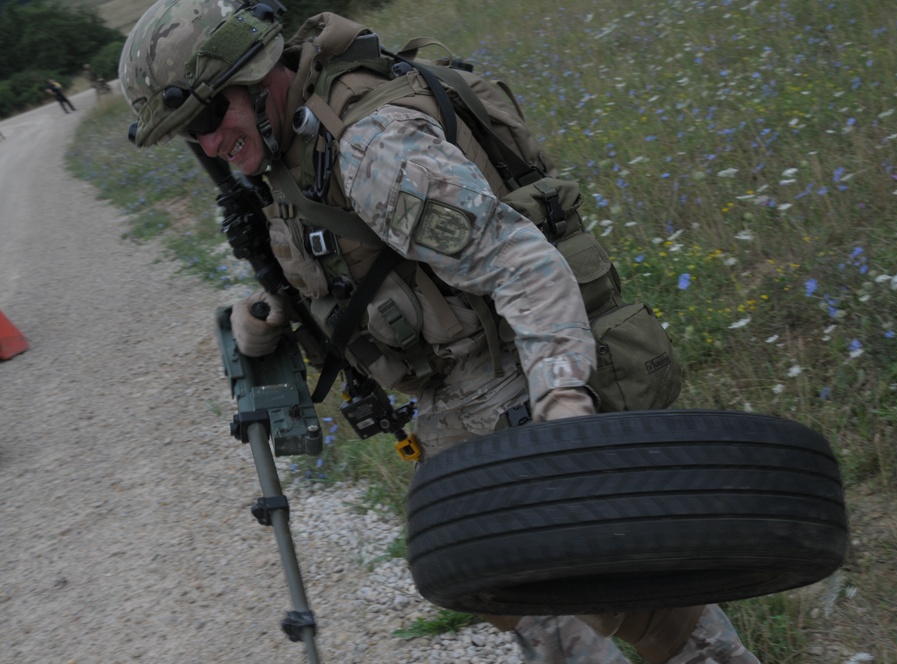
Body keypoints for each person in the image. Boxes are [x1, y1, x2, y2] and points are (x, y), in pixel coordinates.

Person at [119, 2, 760, 663]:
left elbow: (525, 268)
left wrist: (564, 409)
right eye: (188, 135)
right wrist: (275, 312)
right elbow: (349, 260)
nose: (207, 144)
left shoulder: (375, 148)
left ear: (253, 76)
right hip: (449, 401)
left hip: (512, 376)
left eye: (205, 119)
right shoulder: (290, 141)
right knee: (502, 587)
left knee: (645, 608)